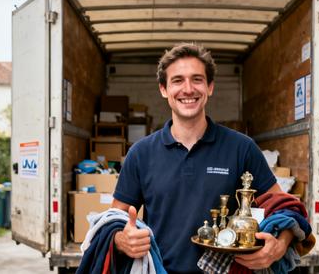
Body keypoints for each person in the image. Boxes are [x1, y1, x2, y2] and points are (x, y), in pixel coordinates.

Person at [110, 43, 295, 273]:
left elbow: (285, 208)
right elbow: (112, 223)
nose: (188, 89)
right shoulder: (140, 153)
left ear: (210, 87)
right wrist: (120, 240)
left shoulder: (242, 148)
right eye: (177, 80)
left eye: (197, 79)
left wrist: (280, 244)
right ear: (163, 89)